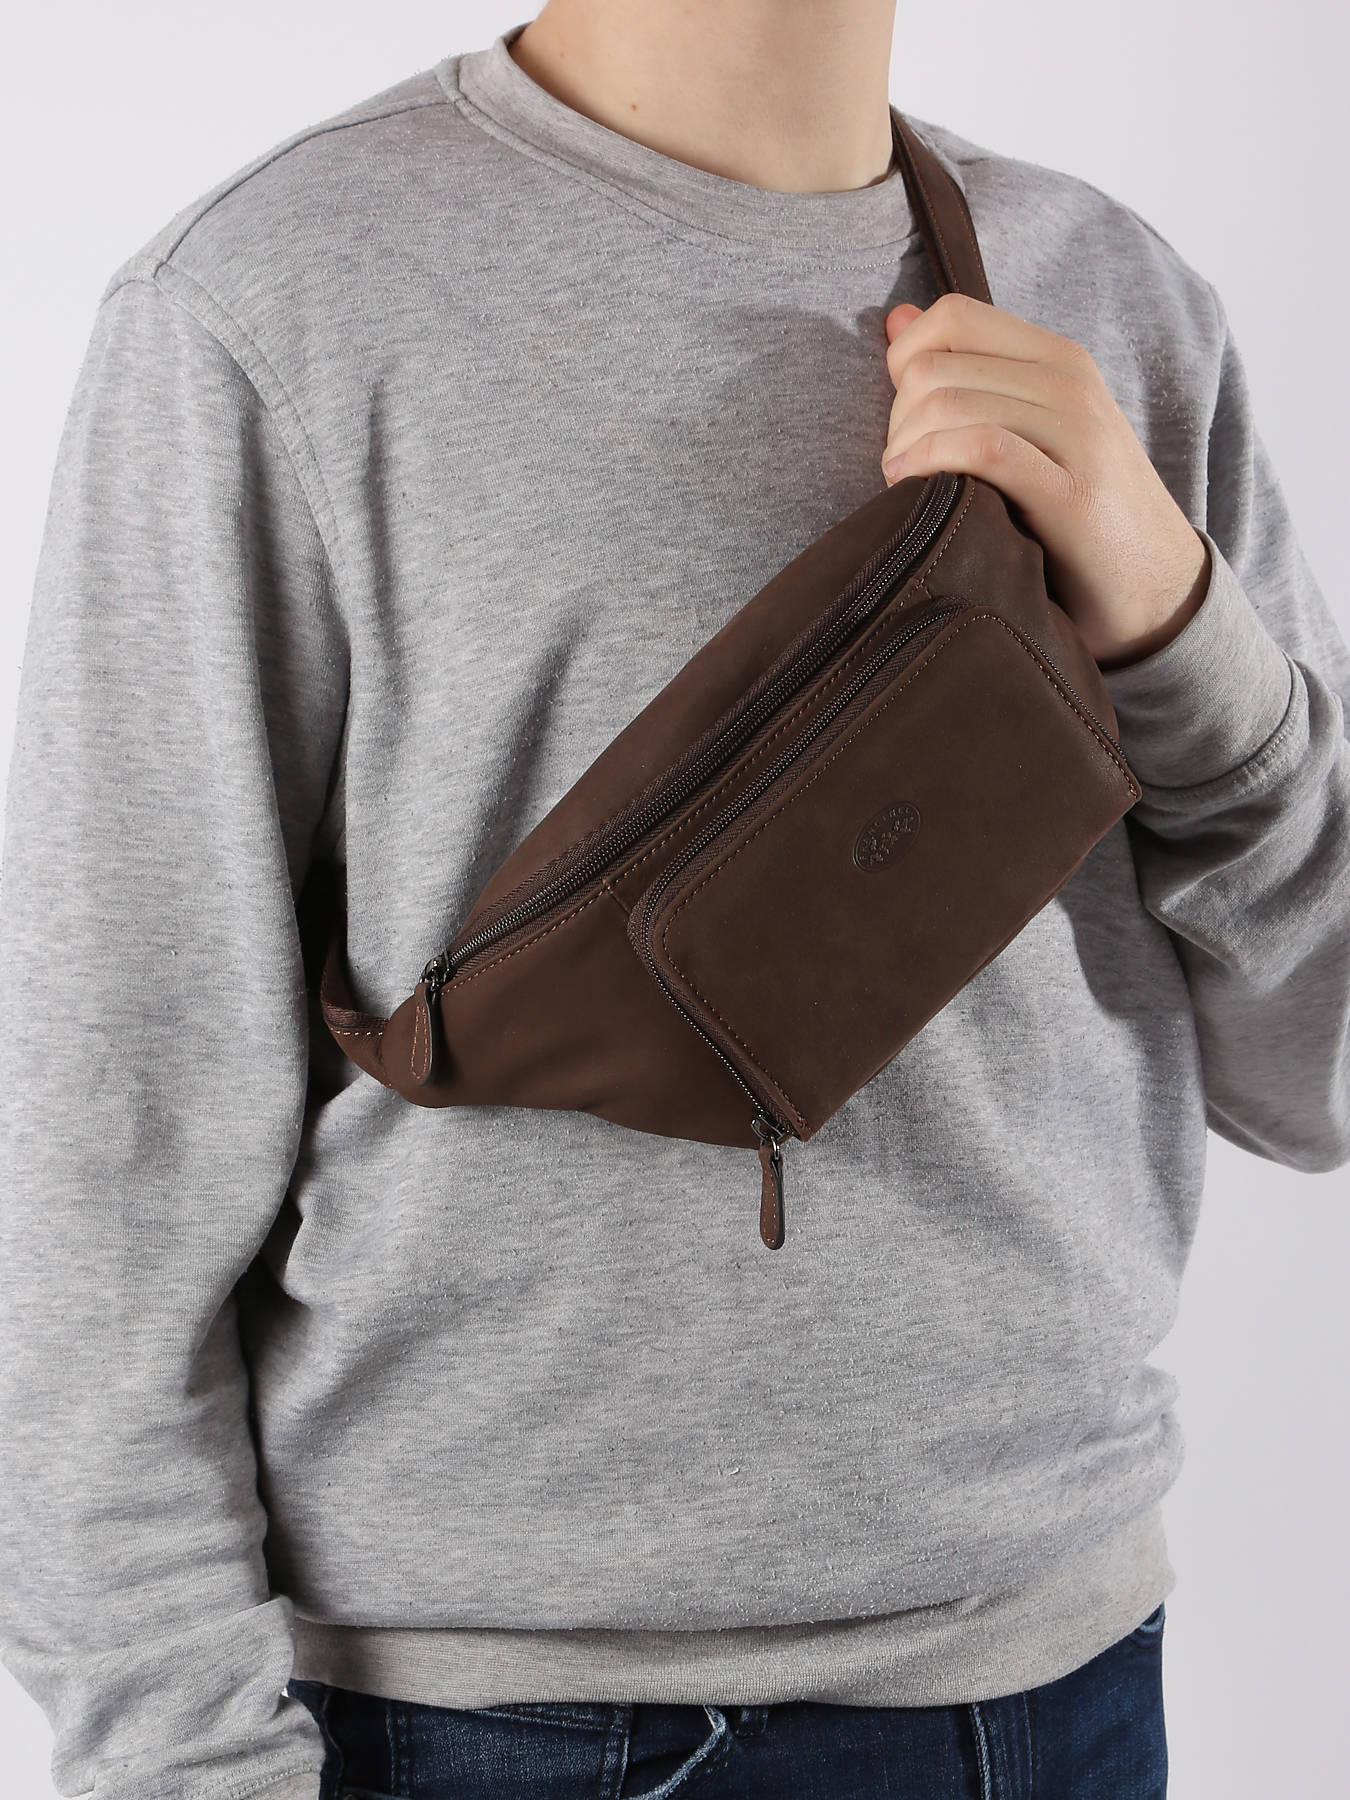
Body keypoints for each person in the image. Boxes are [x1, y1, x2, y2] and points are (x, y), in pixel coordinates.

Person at [1, 1, 1346, 1796]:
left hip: (1053, 1677)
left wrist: (1184, 634)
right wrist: (178, 1758)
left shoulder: (1115, 296)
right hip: (466, 1723)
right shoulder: (270, 302)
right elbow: (103, 1161)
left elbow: (1314, 1072)